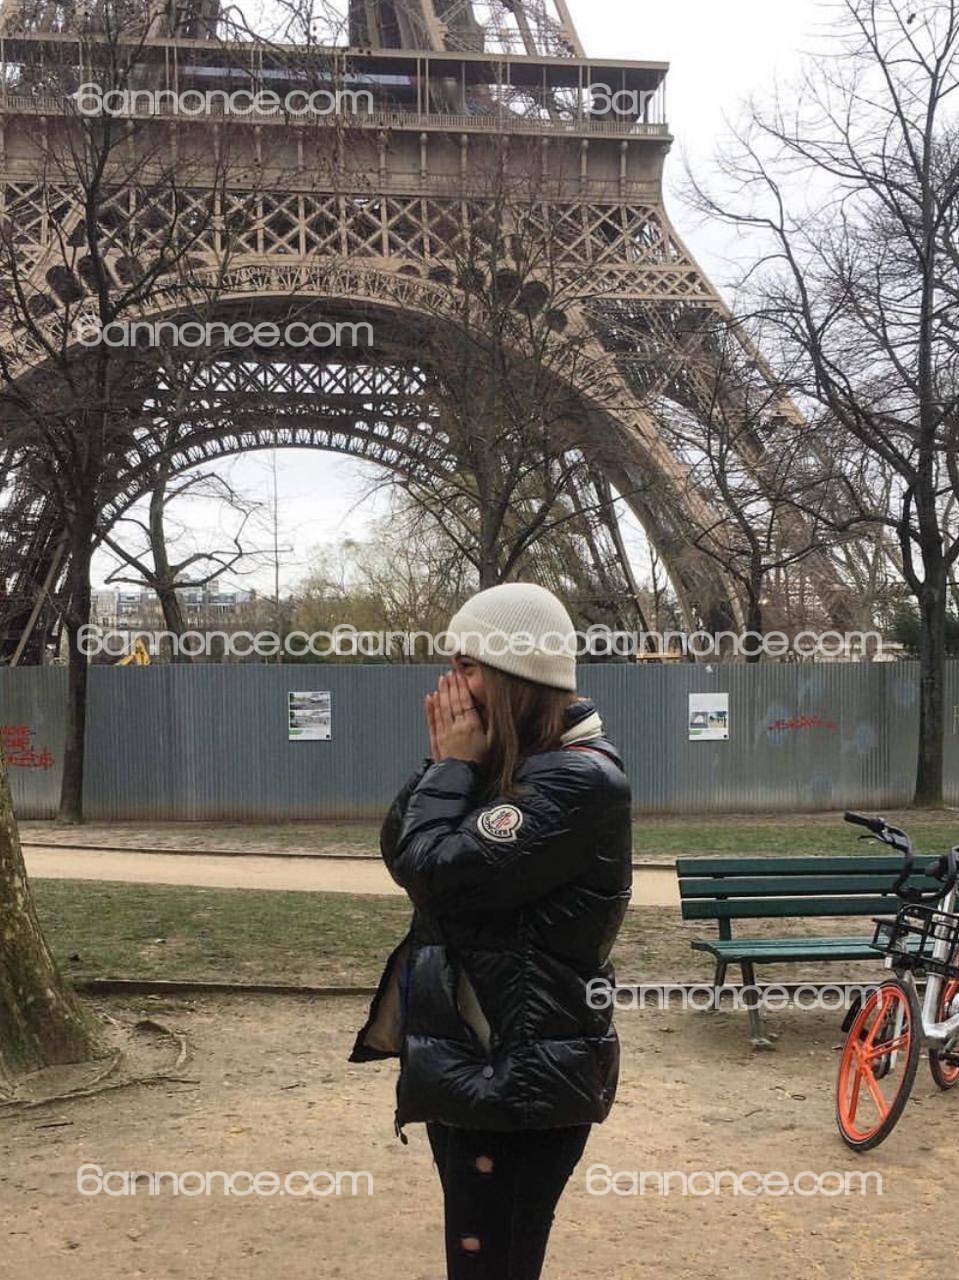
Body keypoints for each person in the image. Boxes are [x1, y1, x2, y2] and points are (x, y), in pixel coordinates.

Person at [350, 582, 633, 1280]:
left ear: (514, 676)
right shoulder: (513, 769)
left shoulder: (575, 782)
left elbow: (432, 873)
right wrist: (444, 763)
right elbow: (402, 849)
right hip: (481, 1067)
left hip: (518, 1081)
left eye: (468, 666)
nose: (451, 685)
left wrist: (452, 766)